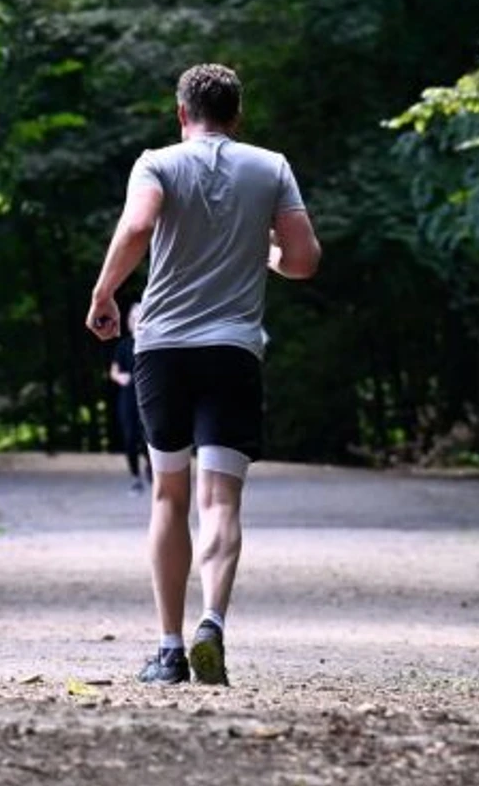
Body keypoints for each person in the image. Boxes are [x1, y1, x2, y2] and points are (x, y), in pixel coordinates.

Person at [86, 63, 320, 686]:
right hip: (233, 350)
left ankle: (168, 651)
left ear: (181, 113)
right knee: (221, 499)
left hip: (163, 349)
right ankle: (211, 623)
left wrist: (105, 293)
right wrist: (263, 251)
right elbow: (303, 260)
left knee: (170, 493)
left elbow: (139, 225)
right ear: (237, 115)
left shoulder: (156, 163)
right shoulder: (270, 167)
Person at [108, 302, 148, 492]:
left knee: (149, 437)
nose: (136, 320)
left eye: (140, 316)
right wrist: (120, 377)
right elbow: (113, 372)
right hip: (128, 397)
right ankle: (135, 477)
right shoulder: (123, 345)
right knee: (130, 438)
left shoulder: (152, 345)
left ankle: (151, 468)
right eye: (133, 317)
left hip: (149, 398)